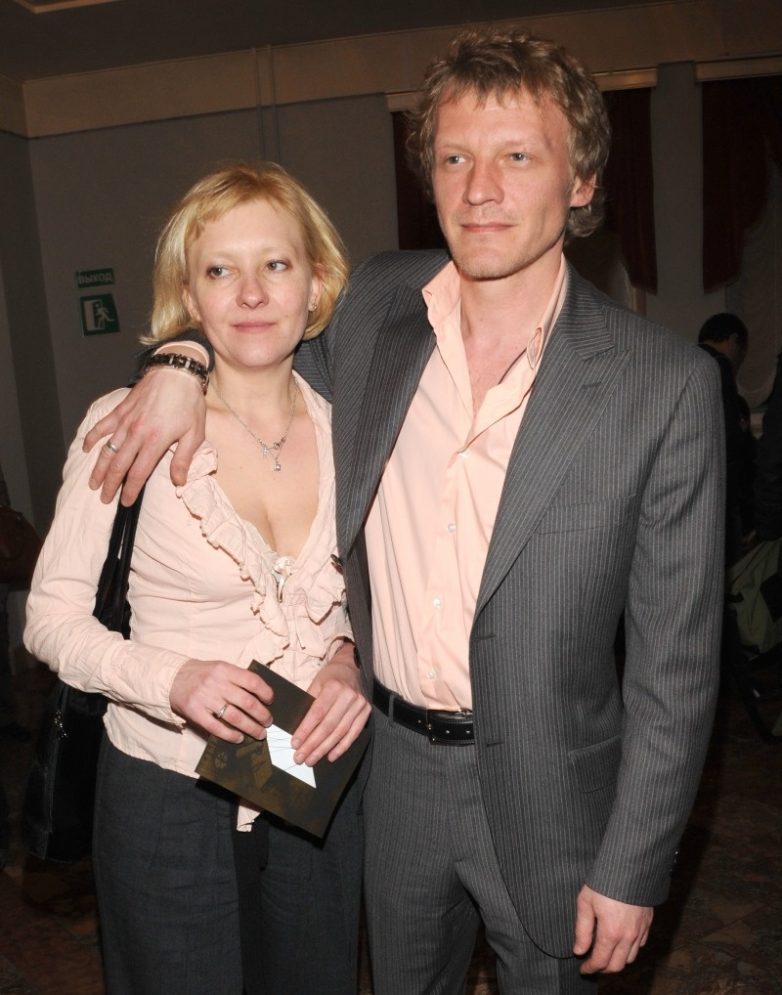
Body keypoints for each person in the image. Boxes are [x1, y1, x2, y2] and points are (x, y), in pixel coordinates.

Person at [81, 27, 725, 995]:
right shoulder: (378, 305)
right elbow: (251, 322)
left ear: (582, 180)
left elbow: (676, 669)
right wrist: (177, 357)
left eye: (518, 157)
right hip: (387, 777)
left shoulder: (662, 384)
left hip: (554, 794)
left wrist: (633, 865)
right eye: (455, 158)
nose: (480, 189)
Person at [24, 162, 370, 995]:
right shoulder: (128, 424)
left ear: (317, 280)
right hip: (168, 785)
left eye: (275, 264)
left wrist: (347, 657)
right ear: (189, 294)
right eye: (220, 270)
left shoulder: (356, 430)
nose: (250, 293)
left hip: (311, 775)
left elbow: (375, 589)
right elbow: (49, 616)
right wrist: (171, 678)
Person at [698, 312, 754, 562]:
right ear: (733, 340)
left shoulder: (686, 359)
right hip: (718, 486)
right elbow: (729, 437)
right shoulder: (719, 365)